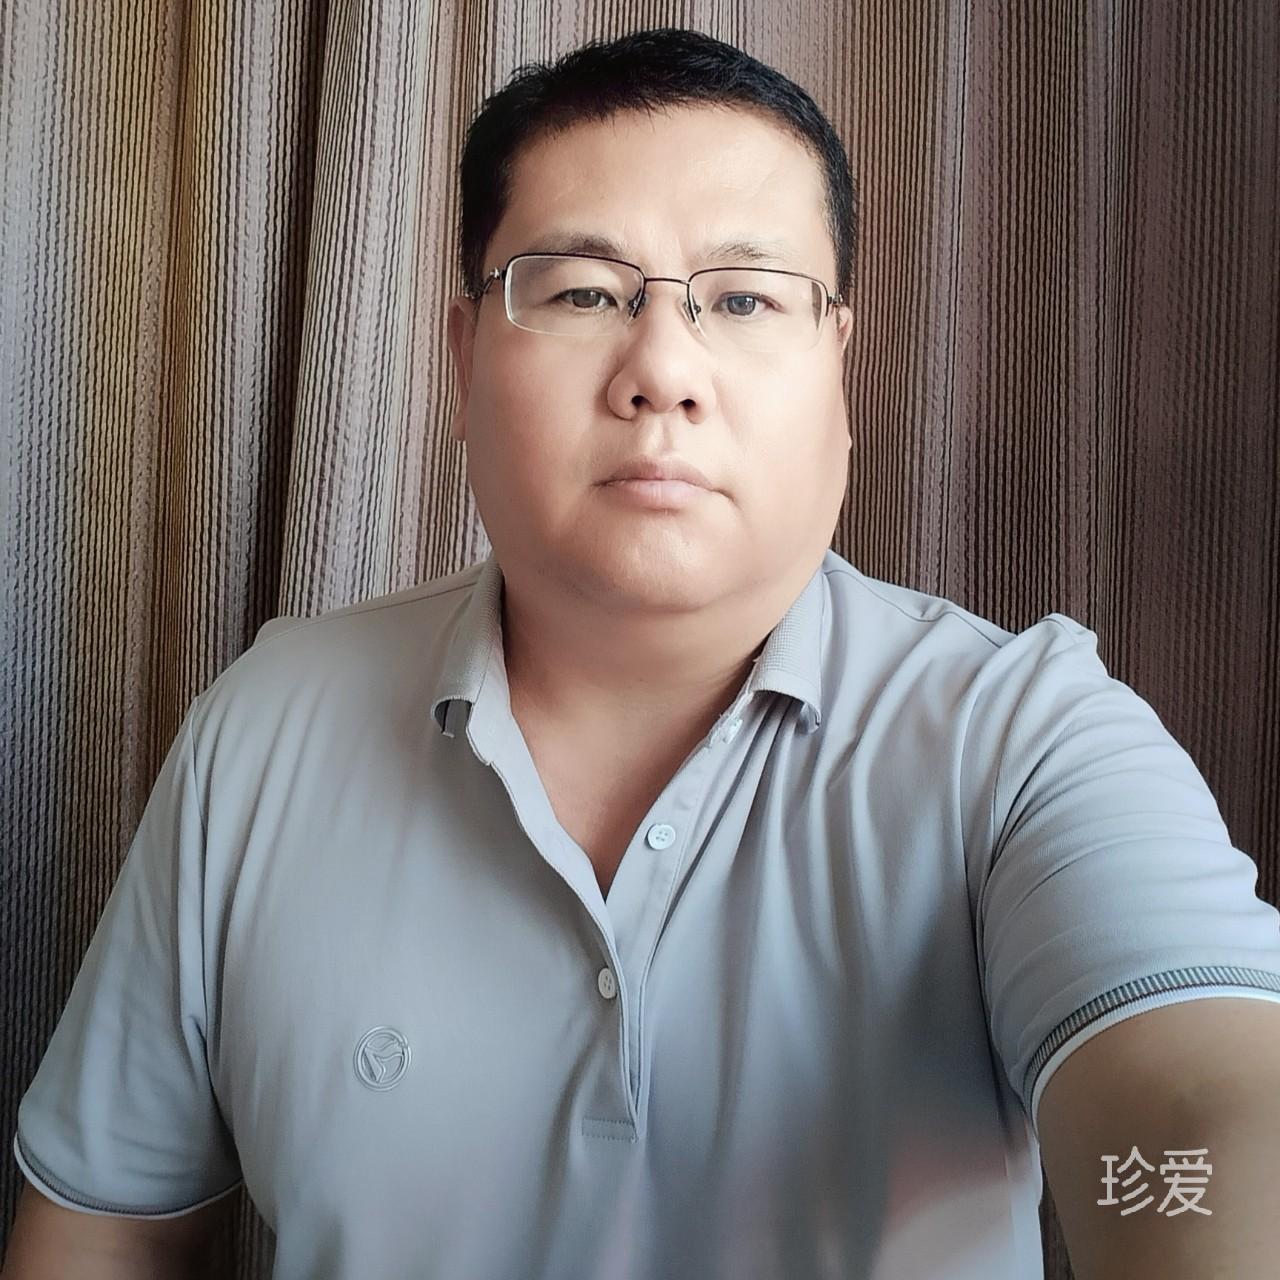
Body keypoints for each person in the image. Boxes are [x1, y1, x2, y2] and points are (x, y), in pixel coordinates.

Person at [6, 26, 1280, 1280]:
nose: (662, 369)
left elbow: (1205, 1103)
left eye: (742, 298)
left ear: (838, 368)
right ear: (463, 359)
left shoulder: (1020, 733)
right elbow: (110, 1227)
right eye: (580, 292)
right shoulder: (263, 727)